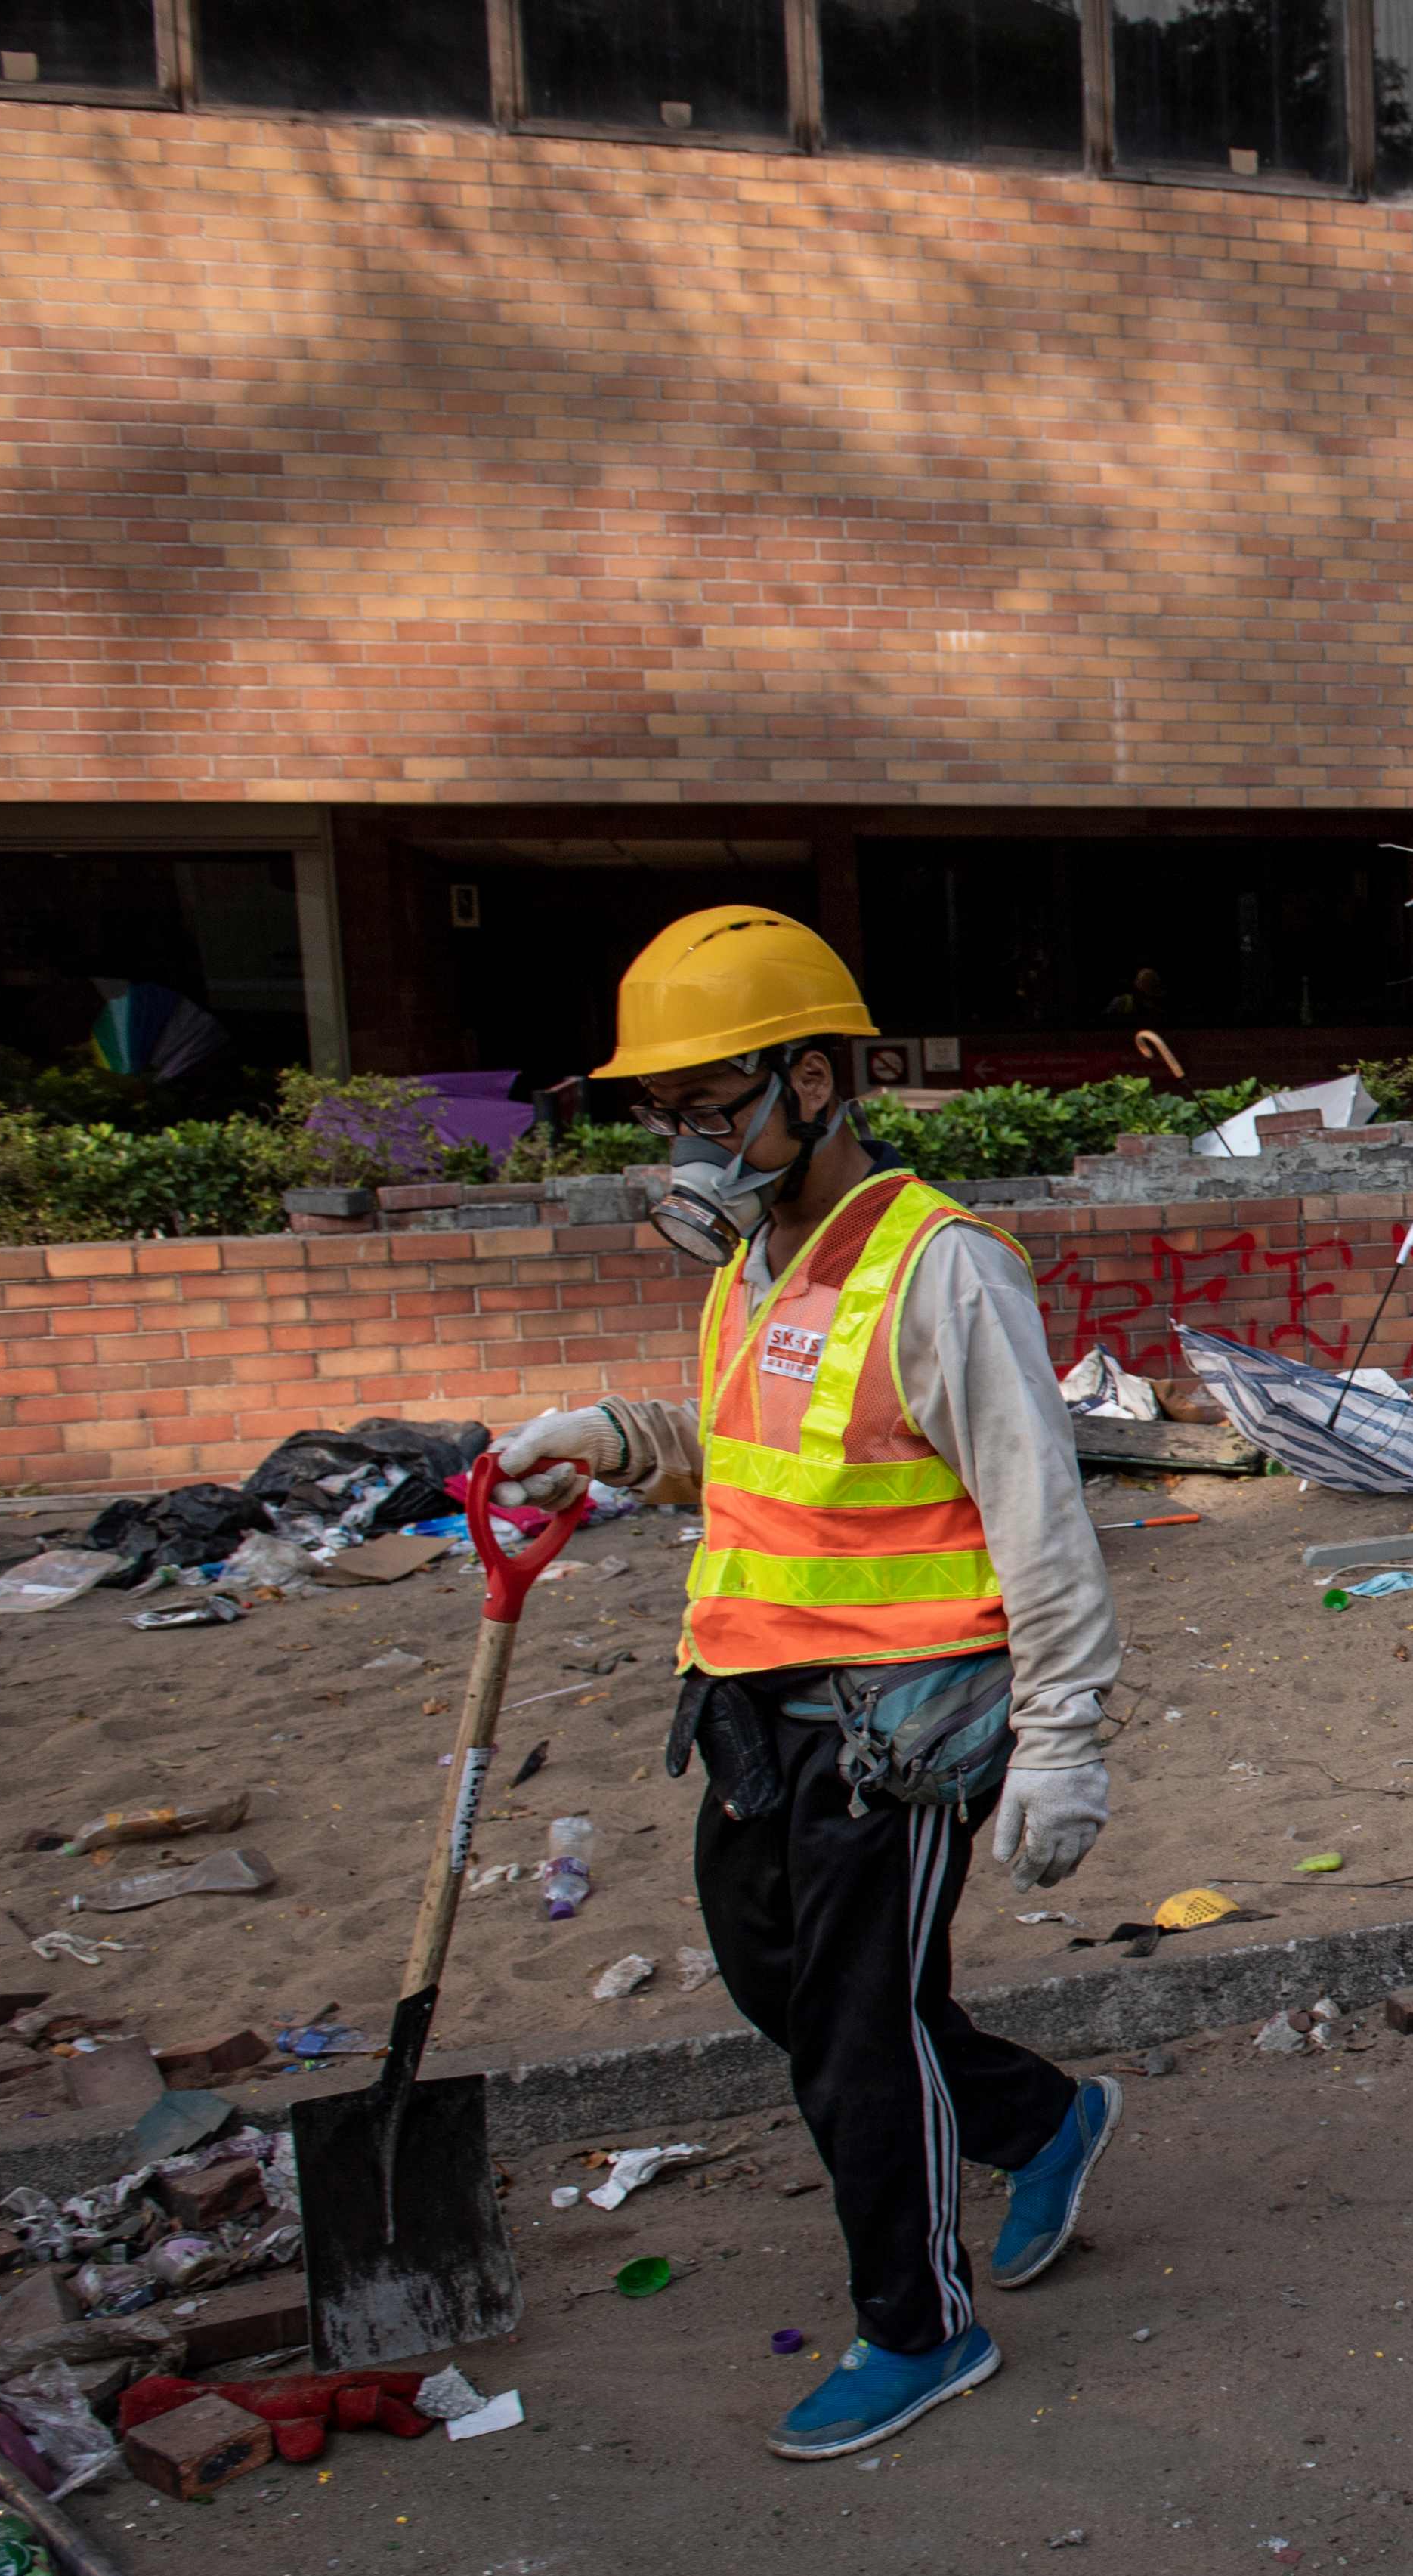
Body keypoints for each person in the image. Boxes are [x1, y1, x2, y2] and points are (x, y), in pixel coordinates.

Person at [491, 904, 1127, 2460]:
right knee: (794, 1991)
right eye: (671, 1113)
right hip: (752, 1707)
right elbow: (766, 1450)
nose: (692, 1141)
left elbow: (1043, 1522)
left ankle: (921, 2325)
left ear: (824, 1076)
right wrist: (617, 1433)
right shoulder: (763, 1257)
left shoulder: (944, 1268)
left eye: (718, 1106)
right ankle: (1044, 2118)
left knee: (853, 2031)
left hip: (895, 1731)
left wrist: (1062, 1742)